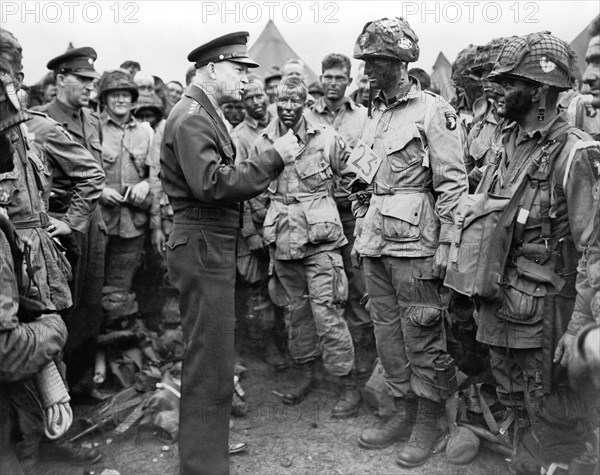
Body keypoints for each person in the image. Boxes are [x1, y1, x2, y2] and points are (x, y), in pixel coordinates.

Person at [160, 31, 299, 475]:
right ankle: (202, 464)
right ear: (212, 68)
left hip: (208, 242)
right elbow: (212, 184)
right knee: (208, 358)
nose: (245, 79)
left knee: (214, 356)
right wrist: (273, 157)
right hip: (202, 242)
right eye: (239, 70)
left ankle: (208, 451)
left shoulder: (201, 112)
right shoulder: (192, 117)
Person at [472, 32, 599, 473]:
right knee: (512, 397)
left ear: (541, 91)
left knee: (551, 410)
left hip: (548, 314)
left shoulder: (575, 154)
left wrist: (578, 327)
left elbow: (595, 252)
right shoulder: (504, 144)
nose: (498, 89)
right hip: (501, 304)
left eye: (510, 83)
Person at [351, 17, 467, 468]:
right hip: (376, 241)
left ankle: (429, 419)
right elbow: (366, 178)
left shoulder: (434, 111)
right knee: (387, 335)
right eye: (367, 60)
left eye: (378, 61)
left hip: (418, 244)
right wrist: (363, 220)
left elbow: (453, 185)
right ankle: (401, 410)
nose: (370, 69)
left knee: (422, 333)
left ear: (401, 62)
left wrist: (447, 245)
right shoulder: (375, 111)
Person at [0, 30, 102, 469]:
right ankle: (22, 453)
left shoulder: (31, 129)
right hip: (5, 256)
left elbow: (89, 176)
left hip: (35, 257)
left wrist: (65, 222)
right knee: (16, 361)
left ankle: (52, 439)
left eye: (14, 75)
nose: (11, 85)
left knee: (47, 355)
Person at [252, 77, 360, 416]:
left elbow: (354, 176)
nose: (287, 110)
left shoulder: (326, 136)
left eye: (294, 104)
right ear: (273, 102)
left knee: (327, 312)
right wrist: (256, 227)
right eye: (281, 104)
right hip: (282, 238)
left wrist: (359, 215)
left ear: (304, 103)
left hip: (321, 239)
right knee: (295, 313)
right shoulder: (263, 142)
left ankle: (347, 383)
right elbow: (252, 189)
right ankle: (306, 373)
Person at [36, 46, 107, 393]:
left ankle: (81, 385)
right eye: (82, 80)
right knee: (64, 307)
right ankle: (59, 391)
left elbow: (97, 173)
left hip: (93, 223)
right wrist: (70, 220)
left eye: (92, 80)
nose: (89, 86)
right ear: (61, 79)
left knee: (92, 304)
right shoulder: (40, 121)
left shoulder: (93, 119)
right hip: (63, 224)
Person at [305, 53, 374, 375]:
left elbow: (370, 165)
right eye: (327, 77)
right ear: (320, 79)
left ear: (349, 80)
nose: (332, 83)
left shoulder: (363, 117)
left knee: (359, 285)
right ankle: (328, 364)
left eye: (338, 77)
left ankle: (360, 362)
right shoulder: (306, 117)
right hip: (316, 217)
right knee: (325, 290)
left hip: (351, 213)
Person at [230, 77, 285, 370]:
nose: (255, 102)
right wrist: (249, 232)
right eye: (248, 98)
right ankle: (267, 346)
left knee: (285, 283)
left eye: (258, 95)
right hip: (258, 219)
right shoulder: (238, 137)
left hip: (287, 217)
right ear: (242, 104)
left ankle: (288, 344)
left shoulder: (281, 121)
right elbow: (238, 186)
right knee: (257, 288)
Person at [98, 69, 155, 326]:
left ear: (133, 100)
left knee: (121, 289)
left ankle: (116, 348)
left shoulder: (146, 132)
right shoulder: (93, 128)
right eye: (114, 95)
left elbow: (158, 173)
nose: (120, 100)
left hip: (133, 224)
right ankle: (91, 352)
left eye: (125, 95)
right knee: (92, 287)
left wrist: (145, 184)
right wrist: (99, 190)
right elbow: (79, 171)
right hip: (100, 222)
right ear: (104, 99)